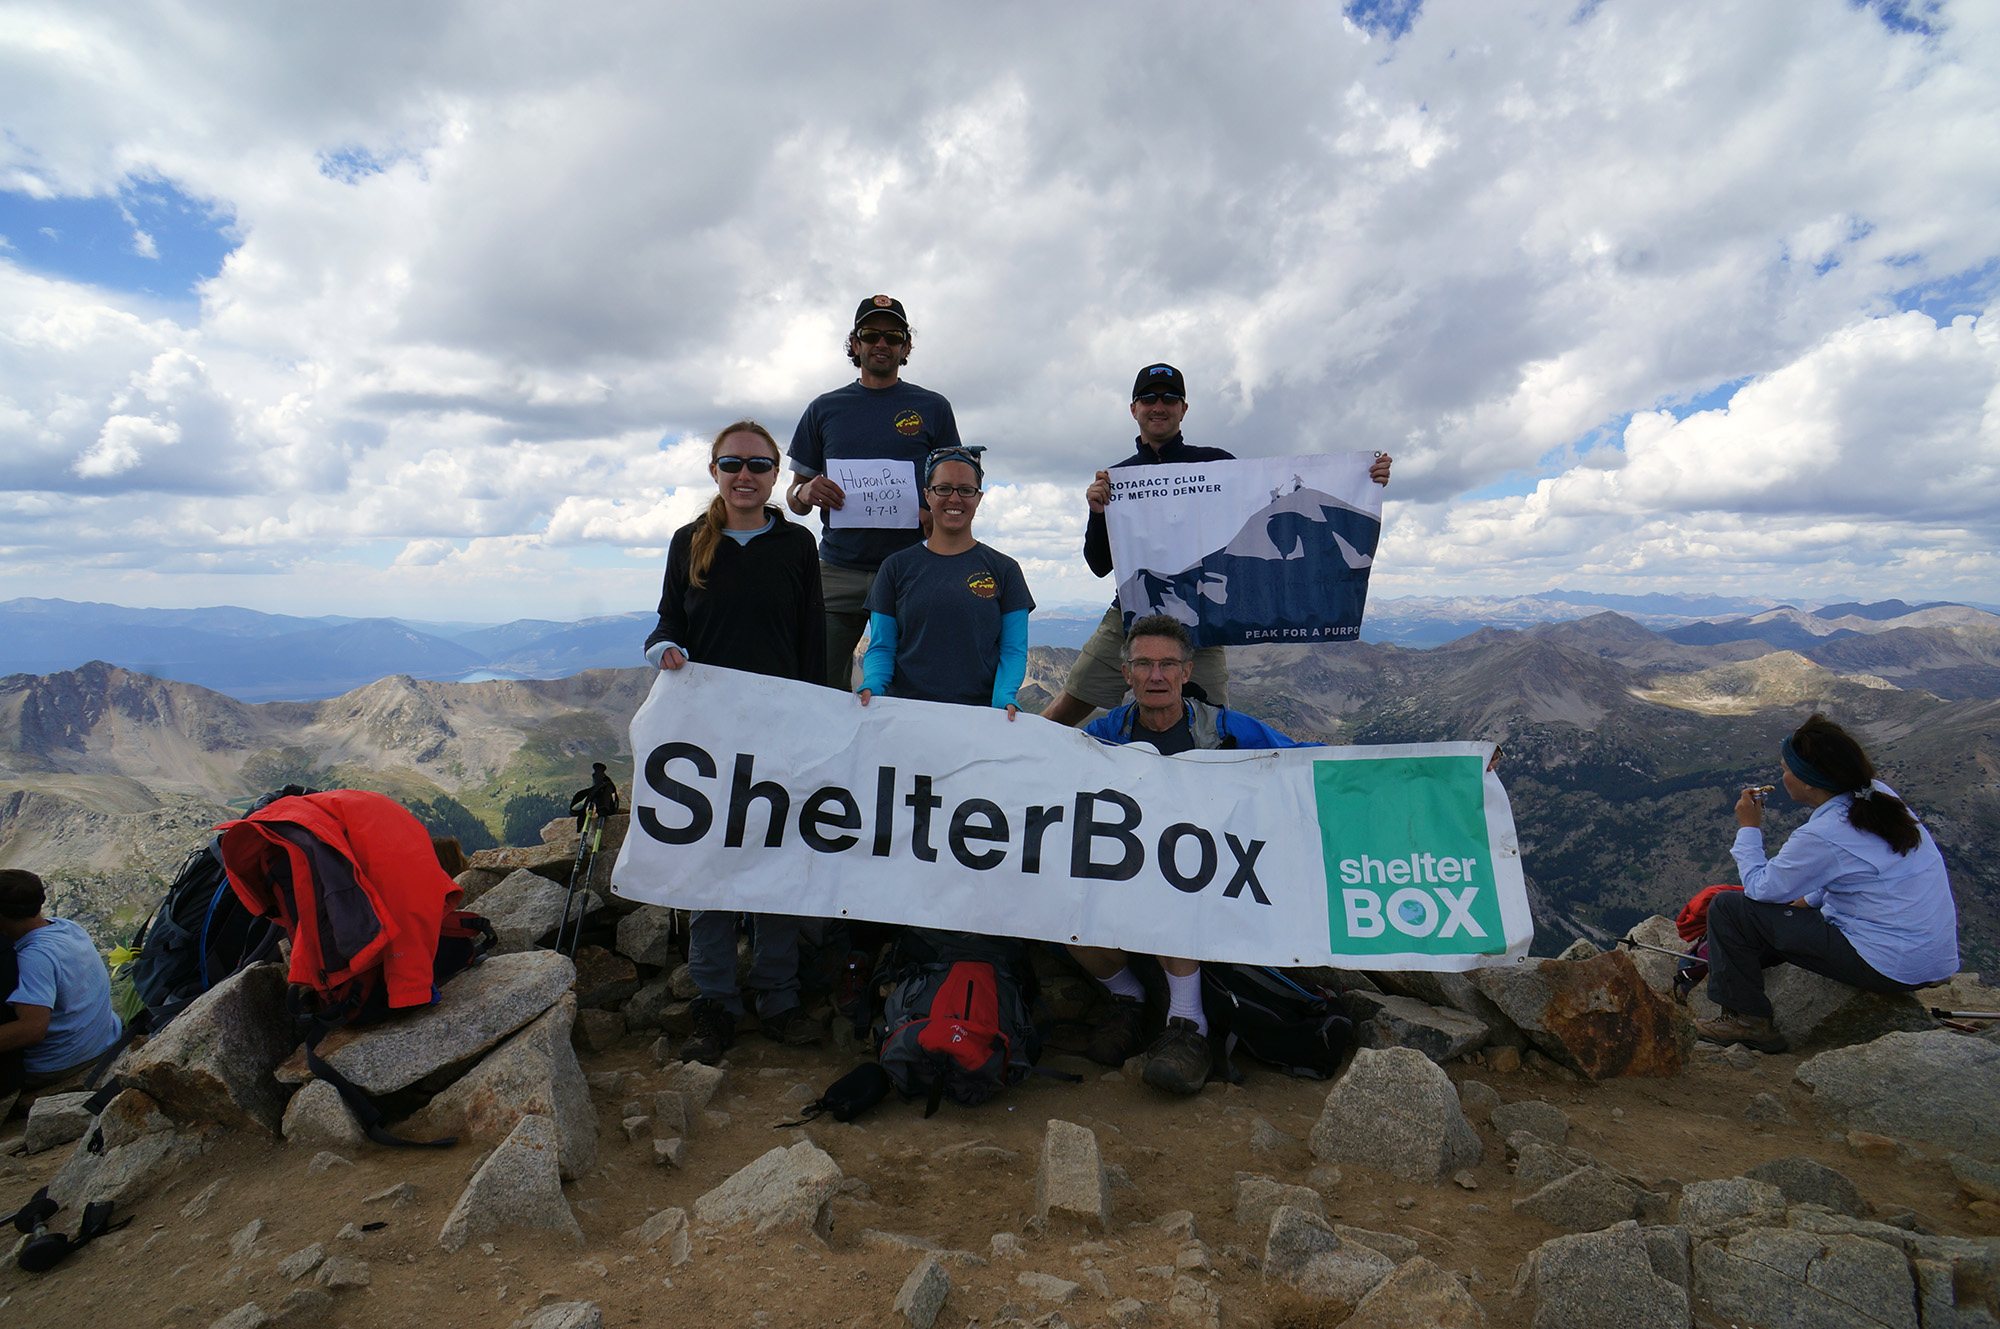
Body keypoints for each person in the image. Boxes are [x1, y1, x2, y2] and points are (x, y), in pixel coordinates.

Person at [1039, 363, 1392, 726]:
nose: (1158, 406)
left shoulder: (1217, 464)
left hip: (1203, 616)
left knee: (1212, 725)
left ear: (1184, 409)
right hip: (1132, 613)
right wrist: (1098, 512)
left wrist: (1364, 478)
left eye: (1170, 398)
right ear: (1134, 409)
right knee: (1065, 711)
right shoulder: (1118, 478)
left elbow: (1275, 495)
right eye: (1148, 398)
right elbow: (1099, 565)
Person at [1068, 615, 1314, 1096]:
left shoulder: (1227, 730)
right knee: (1058, 891)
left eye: (1167, 664)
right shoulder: (1102, 734)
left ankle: (1188, 1025)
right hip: (1121, 882)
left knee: (1169, 872)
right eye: (1143, 664)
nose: (1155, 675)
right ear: (1126, 674)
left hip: (1208, 885)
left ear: (1187, 672)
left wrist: (1448, 765)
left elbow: (1308, 760)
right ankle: (1129, 1000)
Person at [644, 420, 826, 1064]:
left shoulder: (798, 546)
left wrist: (818, 715)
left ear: (777, 475)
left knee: (775, 856)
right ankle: (715, 1001)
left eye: (758, 465)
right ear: (714, 472)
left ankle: (778, 994)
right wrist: (664, 646)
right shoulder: (688, 541)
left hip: (779, 730)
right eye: (732, 464)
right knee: (710, 863)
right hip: (706, 734)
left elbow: (812, 637)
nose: (744, 476)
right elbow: (670, 616)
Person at [1695, 713, 1959, 1054]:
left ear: (1808, 781)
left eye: (1786, 769)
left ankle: (1748, 1022)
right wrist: (1812, 899)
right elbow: (1860, 867)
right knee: (1778, 910)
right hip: (1933, 959)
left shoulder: (1824, 833)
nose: (1782, 776)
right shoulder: (1876, 795)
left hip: (1890, 964)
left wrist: (1749, 826)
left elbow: (1761, 888)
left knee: (1729, 908)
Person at [787, 295, 964, 690]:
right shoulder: (824, 409)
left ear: (906, 347)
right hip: (836, 571)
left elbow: (955, 486)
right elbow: (793, 498)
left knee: (914, 686)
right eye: (870, 334)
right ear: (855, 343)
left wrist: (933, 511)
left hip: (912, 570)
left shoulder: (933, 407)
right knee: (818, 684)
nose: (881, 343)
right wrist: (807, 491)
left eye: (892, 336)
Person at [856, 446, 1034, 713]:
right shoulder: (895, 567)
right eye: (943, 489)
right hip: (906, 712)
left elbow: (1013, 649)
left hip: (979, 716)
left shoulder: (1005, 569)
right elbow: (882, 646)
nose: (954, 498)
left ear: (979, 498)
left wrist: (1004, 697)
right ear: (927, 495)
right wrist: (873, 685)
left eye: (965, 490)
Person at [0, 869, 122, 1093]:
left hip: (59, 1064)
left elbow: (33, 1028)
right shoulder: (65, 927)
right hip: (102, 1041)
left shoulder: (34, 957)